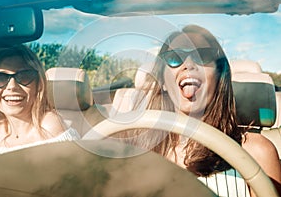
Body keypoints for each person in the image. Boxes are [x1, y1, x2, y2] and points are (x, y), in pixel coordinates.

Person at [117, 24, 281, 197]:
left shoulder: (255, 152)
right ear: (163, 81)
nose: (188, 64)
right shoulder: (129, 149)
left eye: (202, 56)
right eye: (174, 57)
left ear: (219, 77)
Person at [0, 45, 80, 158]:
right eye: (0, 78)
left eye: (24, 76)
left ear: (38, 86)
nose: (12, 86)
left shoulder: (50, 127)